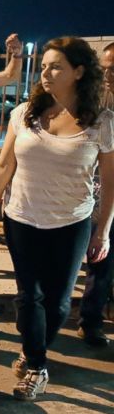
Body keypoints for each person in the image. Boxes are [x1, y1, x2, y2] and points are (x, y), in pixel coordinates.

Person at [0, 37, 113, 401]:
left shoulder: (101, 122)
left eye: (56, 67)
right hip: (22, 217)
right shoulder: (24, 113)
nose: (46, 73)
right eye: (45, 65)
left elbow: (111, 183)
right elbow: (3, 165)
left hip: (71, 221)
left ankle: (34, 347)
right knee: (28, 296)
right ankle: (36, 364)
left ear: (79, 72)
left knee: (59, 302)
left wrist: (104, 231)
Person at [77, 41, 114, 347]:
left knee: (105, 261)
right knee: (96, 257)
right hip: (93, 192)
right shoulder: (93, 101)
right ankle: (90, 321)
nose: (109, 74)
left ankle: (93, 318)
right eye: (105, 68)